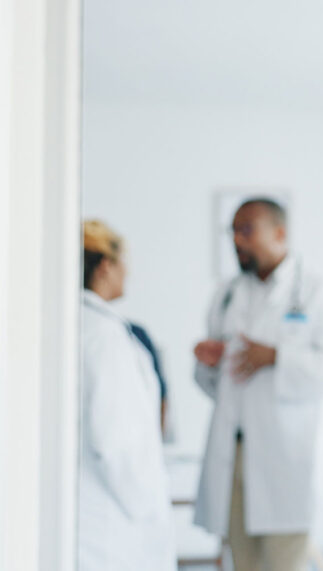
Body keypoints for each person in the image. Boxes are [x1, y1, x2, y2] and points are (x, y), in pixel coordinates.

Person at [192, 198, 323, 571]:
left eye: (246, 230)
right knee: (242, 562)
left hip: (288, 456)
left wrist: (277, 357)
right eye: (232, 231)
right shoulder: (227, 294)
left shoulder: (321, 291)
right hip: (234, 453)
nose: (237, 240)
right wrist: (209, 363)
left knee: (285, 563)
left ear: (280, 233)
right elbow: (213, 386)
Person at [79, 219, 175, 571]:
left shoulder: (86, 325)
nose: (128, 273)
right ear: (106, 266)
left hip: (98, 512)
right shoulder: (104, 336)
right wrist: (146, 502)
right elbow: (113, 438)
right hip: (113, 519)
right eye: (124, 263)